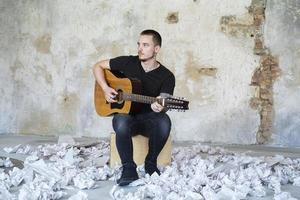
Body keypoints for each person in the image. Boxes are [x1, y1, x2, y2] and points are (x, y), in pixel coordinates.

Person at [93, 29, 175, 186]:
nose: (140, 49)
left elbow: (164, 101)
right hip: (127, 119)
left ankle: (150, 163)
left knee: (164, 121)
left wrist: (160, 106)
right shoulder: (128, 62)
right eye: (139, 44)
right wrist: (105, 88)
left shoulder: (167, 76)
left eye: (145, 45)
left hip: (147, 121)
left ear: (156, 49)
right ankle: (129, 169)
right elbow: (97, 66)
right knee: (121, 119)